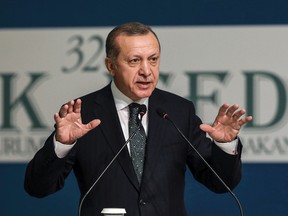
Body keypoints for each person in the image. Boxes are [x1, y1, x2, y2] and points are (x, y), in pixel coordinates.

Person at [24, 22, 253, 216]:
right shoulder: (83, 114)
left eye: (153, 59)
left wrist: (224, 145)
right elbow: (37, 188)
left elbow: (221, 183)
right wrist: (62, 144)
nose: (147, 71)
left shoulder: (178, 110)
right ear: (111, 66)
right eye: (134, 61)